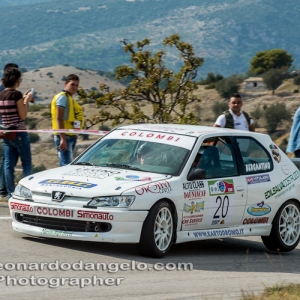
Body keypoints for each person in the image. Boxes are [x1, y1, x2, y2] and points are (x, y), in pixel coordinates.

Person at [0, 67, 33, 197]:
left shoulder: (1, 95)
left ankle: (10, 193)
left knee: (8, 164)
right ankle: (27, 193)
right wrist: (26, 100)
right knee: (26, 163)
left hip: (5, 133)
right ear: (17, 80)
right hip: (19, 132)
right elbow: (23, 115)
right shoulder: (16, 94)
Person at [51, 74, 84, 166]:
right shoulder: (62, 97)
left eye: (77, 85)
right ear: (65, 84)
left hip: (71, 136)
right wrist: (63, 138)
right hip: (65, 136)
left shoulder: (69, 98)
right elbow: (59, 118)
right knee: (66, 166)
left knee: (66, 165)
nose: (74, 87)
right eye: (72, 84)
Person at [0, 63, 18, 198]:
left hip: (4, 128)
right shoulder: (4, 91)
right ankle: (4, 189)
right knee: (6, 160)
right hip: (6, 129)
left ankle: (3, 189)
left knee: (5, 160)